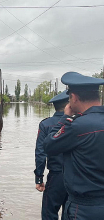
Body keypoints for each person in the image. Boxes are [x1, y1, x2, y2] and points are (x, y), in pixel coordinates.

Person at [44, 71, 104, 220]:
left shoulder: (77, 126)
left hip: (84, 208)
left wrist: (65, 118)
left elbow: (49, 145)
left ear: (74, 98)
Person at [34, 91, 69, 220]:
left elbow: (40, 153)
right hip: (77, 176)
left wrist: (39, 177)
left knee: (49, 213)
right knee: (71, 213)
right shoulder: (78, 122)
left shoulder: (46, 124)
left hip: (56, 176)